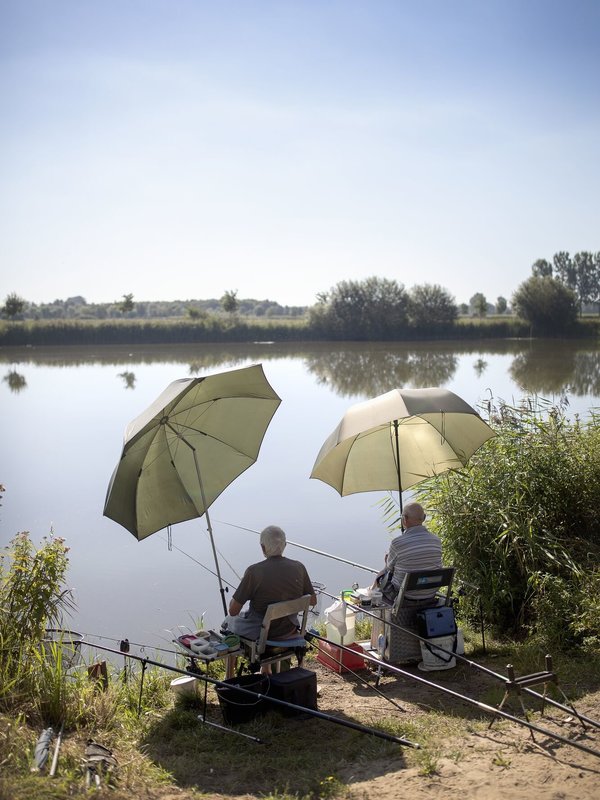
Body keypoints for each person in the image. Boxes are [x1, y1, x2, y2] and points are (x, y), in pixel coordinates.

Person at [223, 525, 317, 642]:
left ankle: (235, 654)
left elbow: (233, 611)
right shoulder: (299, 567)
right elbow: (313, 601)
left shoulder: (253, 572)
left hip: (262, 634)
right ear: (285, 545)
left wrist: (243, 587)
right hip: (289, 630)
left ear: (263, 547)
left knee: (228, 620)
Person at [374, 502, 443, 604]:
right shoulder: (436, 541)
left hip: (405, 598)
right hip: (430, 595)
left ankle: (369, 594)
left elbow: (389, 569)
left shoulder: (397, 543)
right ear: (424, 518)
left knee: (381, 576)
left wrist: (387, 561)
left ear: (405, 519)